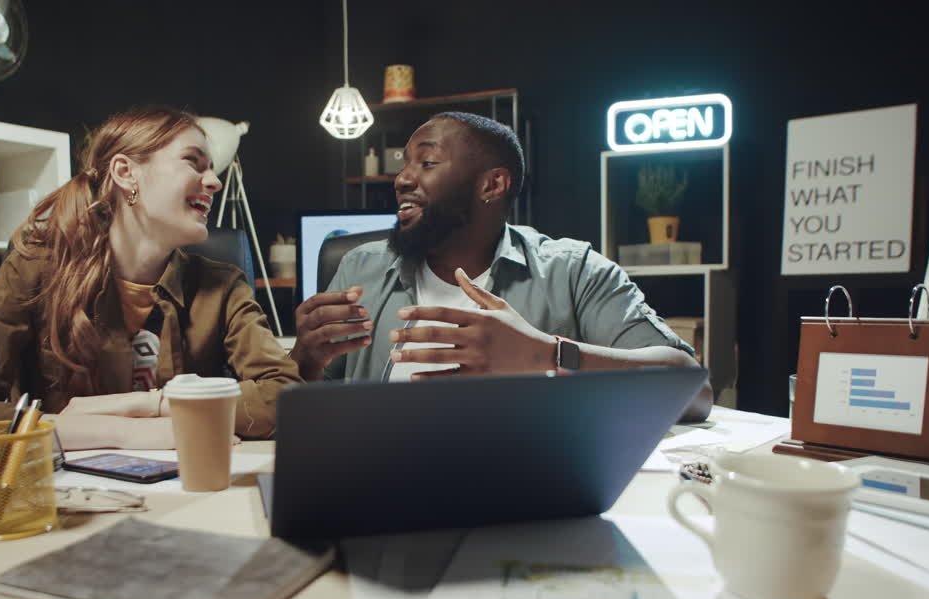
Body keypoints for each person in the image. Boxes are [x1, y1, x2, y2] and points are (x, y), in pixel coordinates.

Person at [290, 111, 712, 421]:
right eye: (404, 165)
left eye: (428, 163)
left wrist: (547, 354)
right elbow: (307, 407)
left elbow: (694, 390)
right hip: (382, 491)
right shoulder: (360, 268)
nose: (402, 178)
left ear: (492, 184)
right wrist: (304, 360)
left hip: (529, 494)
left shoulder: (573, 270)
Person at [0, 106, 302, 449]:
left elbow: (284, 395)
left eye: (212, 169)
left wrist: (152, 405)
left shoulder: (223, 285)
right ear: (125, 173)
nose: (214, 182)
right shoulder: (36, 267)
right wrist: (121, 431)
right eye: (194, 162)